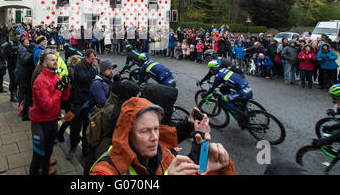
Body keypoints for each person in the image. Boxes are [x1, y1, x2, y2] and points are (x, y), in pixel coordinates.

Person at [90, 97, 235, 175]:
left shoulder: (165, 156)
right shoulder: (105, 170)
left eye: (156, 129)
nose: (155, 137)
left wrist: (218, 169)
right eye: (145, 131)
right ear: (127, 135)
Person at [29, 51, 71, 175]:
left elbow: (63, 99)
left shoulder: (56, 76)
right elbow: (46, 105)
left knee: (48, 150)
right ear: (44, 63)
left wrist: (66, 87)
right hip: (41, 122)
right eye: (52, 60)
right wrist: (59, 90)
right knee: (38, 154)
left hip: (53, 120)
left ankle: (45, 170)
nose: (55, 62)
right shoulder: (41, 80)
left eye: (56, 59)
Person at [201, 61, 253, 129]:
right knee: (227, 92)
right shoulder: (224, 70)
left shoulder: (218, 76)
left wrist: (206, 93)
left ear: (213, 69)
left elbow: (213, 87)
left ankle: (240, 114)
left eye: (210, 69)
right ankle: (242, 111)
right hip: (248, 89)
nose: (210, 71)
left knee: (223, 100)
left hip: (243, 93)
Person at [68, 49, 99, 160]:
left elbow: (95, 78)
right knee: (76, 126)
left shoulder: (91, 67)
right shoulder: (79, 66)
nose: (93, 60)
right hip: (79, 101)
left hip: (88, 100)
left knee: (87, 127)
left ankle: (85, 149)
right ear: (86, 57)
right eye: (92, 58)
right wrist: (94, 68)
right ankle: (72, 148)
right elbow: (84, 78)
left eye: (95, 58)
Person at [2, 31, 20, 102]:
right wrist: (13, 53)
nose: (18, 37)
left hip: (17, 65)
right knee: (13, 80)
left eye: (19, 36)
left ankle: (15, 94)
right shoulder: (10, 43)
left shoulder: (19, 43)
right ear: (15, 36)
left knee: (17, 81)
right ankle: (12, 95)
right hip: (11, 65)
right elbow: (5, 54)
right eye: (17, 36)